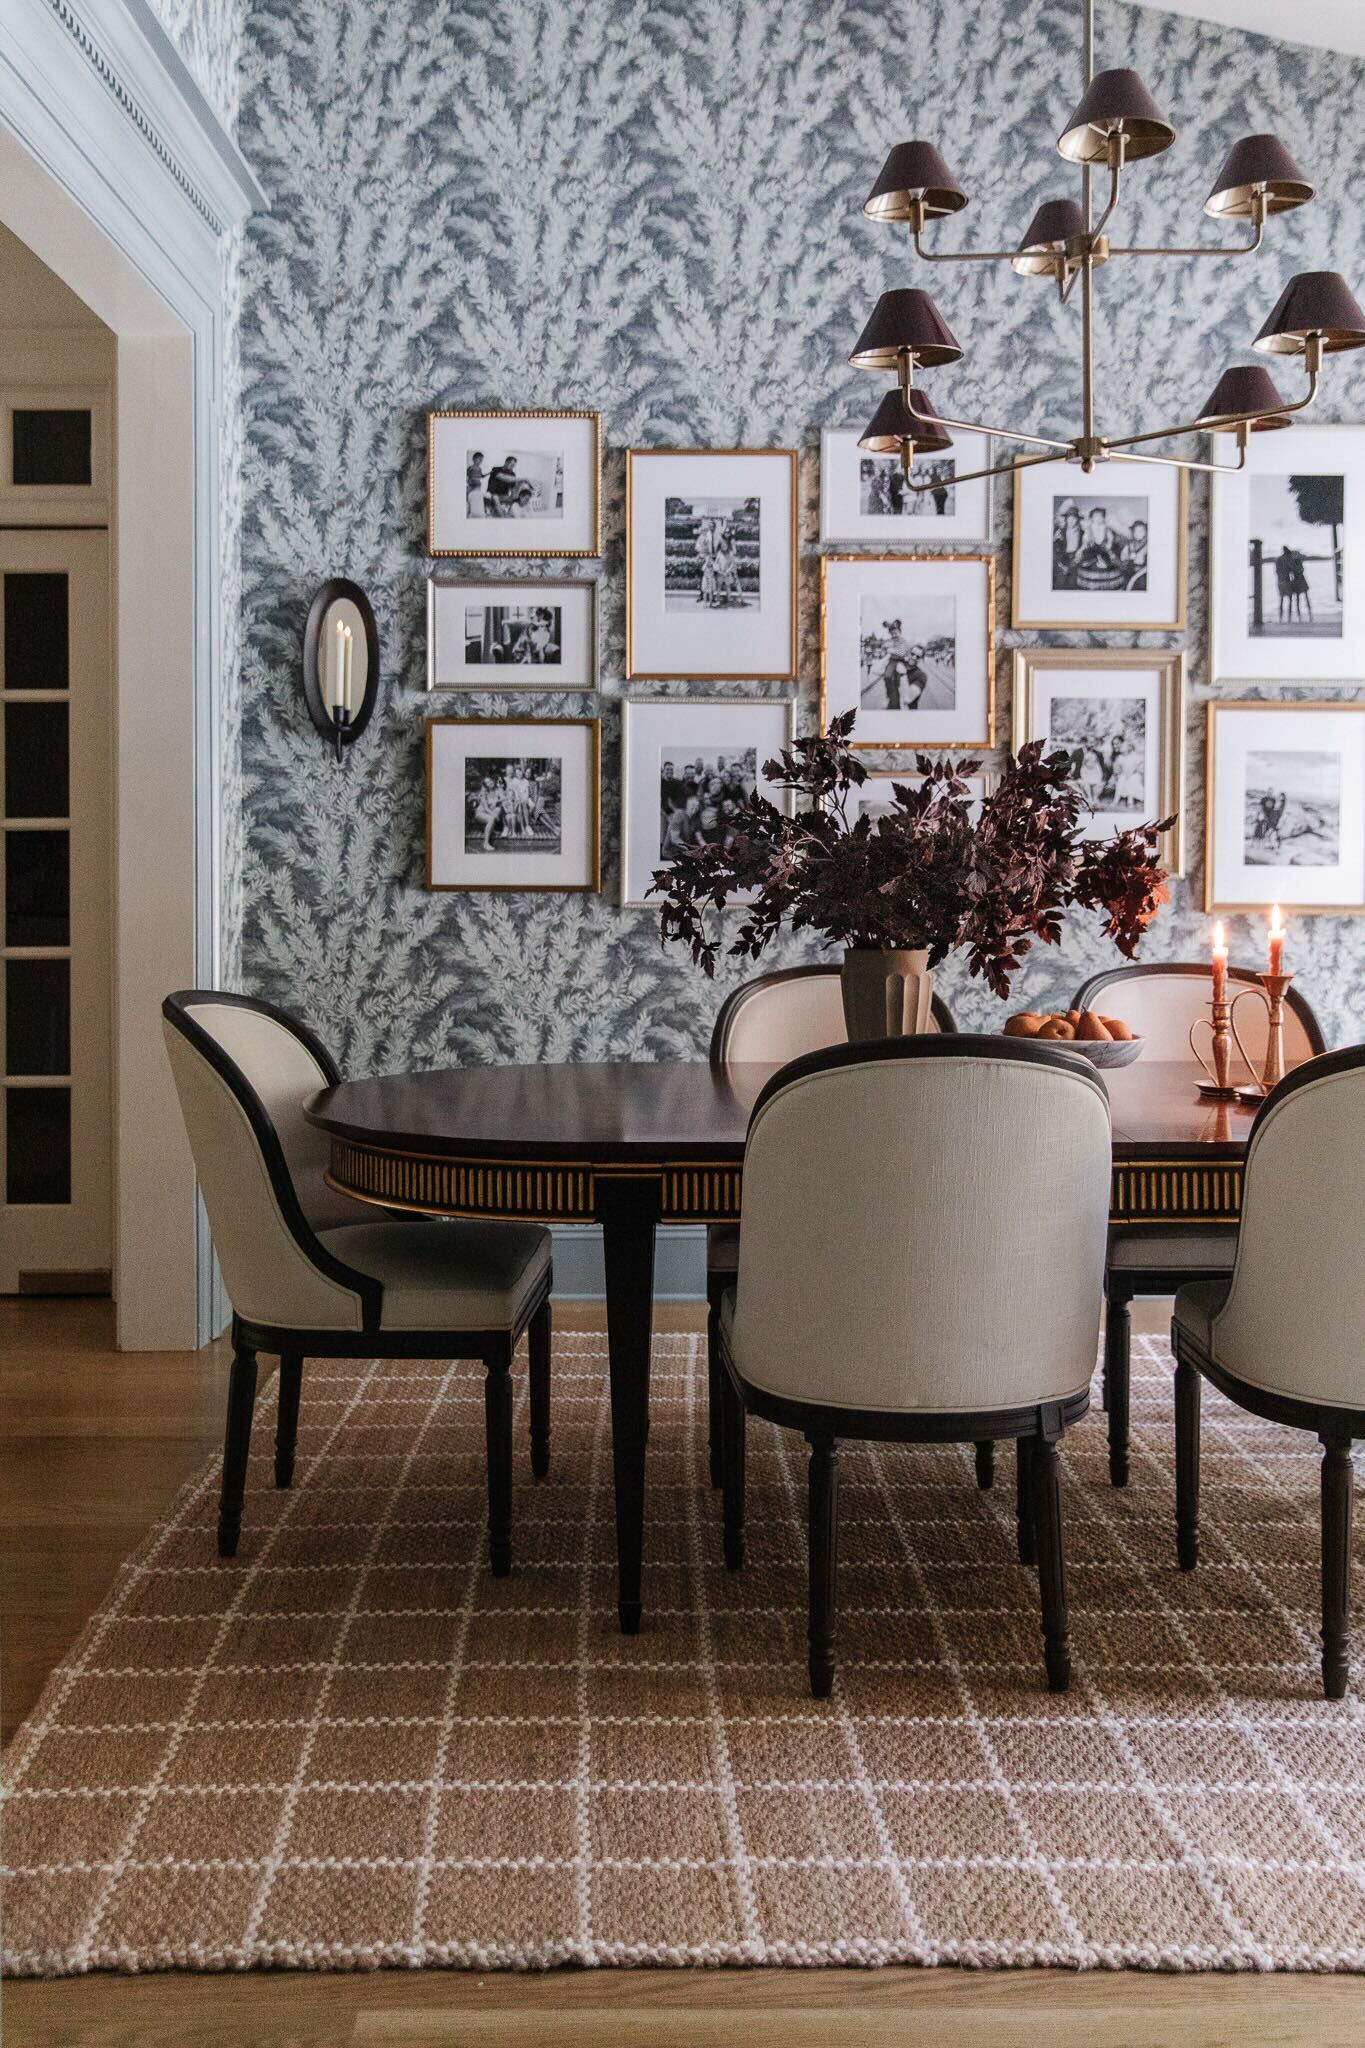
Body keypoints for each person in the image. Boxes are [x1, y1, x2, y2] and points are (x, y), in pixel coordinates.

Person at [466, 453, 486, 518]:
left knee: (477, 498)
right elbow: (467, 476)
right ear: (474, 459)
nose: (480, 461)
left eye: (481, 460)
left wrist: (489, 473)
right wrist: (470, 481)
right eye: (479, 459)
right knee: (469, 498)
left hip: (478, 486)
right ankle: (468, 511)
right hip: (471, 485)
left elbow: (482, 476)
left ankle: (476, 512)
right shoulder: (470, 468)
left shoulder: (480, 468)